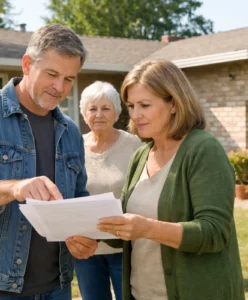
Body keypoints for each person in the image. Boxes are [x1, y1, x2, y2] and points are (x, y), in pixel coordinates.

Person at [0, 24, 98, 300]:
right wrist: (14, 189)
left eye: (68, 79)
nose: (59, 87)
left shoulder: (71, 132)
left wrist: (87, 236)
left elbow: (78, 198)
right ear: (27, 64)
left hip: (57, 287)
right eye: (52, 74)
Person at [97, 59, 245, 300]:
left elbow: (214, 232)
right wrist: (91, 238)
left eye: (145, 105)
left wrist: (147, 228)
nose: (135, 115)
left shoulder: (203, 149)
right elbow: (131, 228)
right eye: (131, 105)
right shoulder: (141, 155)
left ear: (174, 104)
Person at [74, 81, 142, 300]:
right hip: (86, 247)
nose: (99, 114)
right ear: (84, 114)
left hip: (124, 247)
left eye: (106, 108)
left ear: (116, 112)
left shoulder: (135, 145)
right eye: (92, 109)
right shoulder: (74, 147)